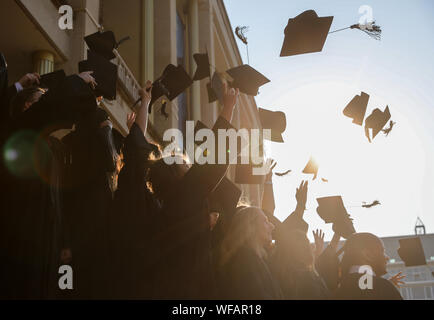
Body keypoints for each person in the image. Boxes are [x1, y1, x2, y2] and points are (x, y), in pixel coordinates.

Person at [0, 72, 98, 299]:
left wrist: (62, 241)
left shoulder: (51, 151)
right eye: (40, 99)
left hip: (45, 245)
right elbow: (47, 109)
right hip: (19, 242)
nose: (47, 103)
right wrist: (76, 80)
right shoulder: (18, 136)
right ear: (28, 107)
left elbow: (57, 202)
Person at [146, 83, 239, 299]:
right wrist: (228, 108)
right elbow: (213, 162)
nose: (189, 167)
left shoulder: (167, 208)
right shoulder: (182, 196)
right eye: (184, 164)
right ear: (174, 174)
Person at [271, 181, 330, 300]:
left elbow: (287, 237)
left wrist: (301, 205)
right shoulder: (309, 281)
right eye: (307, 243)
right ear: (305, 251)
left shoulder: (275, 272)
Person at [218, 206, 282, 300]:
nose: (272, 226)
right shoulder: (244, 260)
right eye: (265, 221)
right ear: (250, 226)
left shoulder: (254, 259)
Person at [334, 232, 403, 300]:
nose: (387, 258)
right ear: (368, 254)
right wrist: (385, 287)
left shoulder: (338, 290)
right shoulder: (382, 288)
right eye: (382, 251)